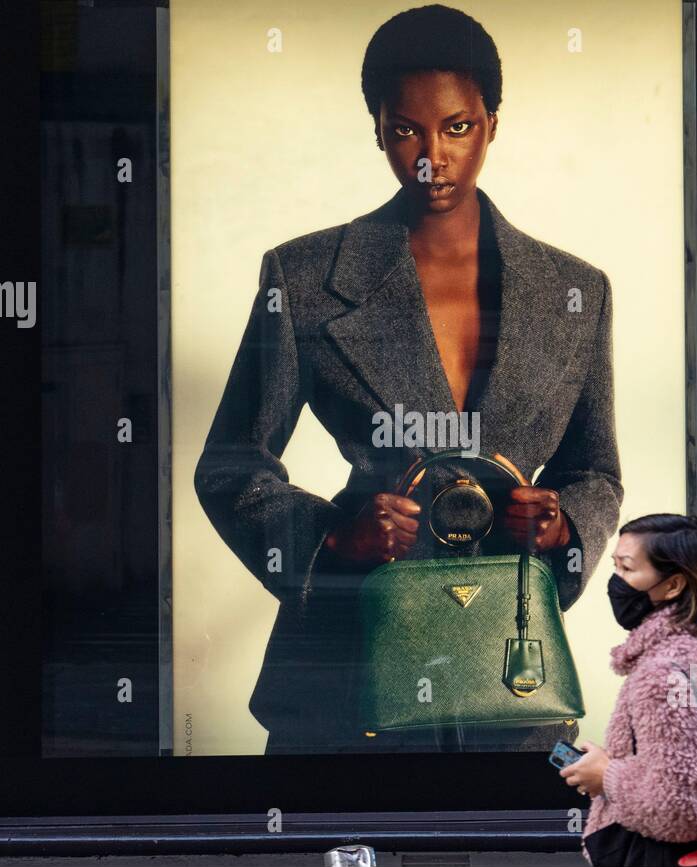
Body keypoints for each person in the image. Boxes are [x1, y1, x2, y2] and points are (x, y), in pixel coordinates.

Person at [194, 4, 623, 754]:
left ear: (492, 123)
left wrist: (560, 526)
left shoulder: (572, 290)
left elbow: (595, 470)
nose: (432, 156)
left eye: (456, 127)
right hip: (346, 668)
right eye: (405, 130)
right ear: (379, 131)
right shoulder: (305, 277)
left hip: (512, 671)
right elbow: (231, 464)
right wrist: (334, 538)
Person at [561, 514, 697, 864]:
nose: (615, 581)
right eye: (615, 566)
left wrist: (605, 775)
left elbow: (687, 809)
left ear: (672, 586)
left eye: (627, 569)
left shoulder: (660, 674)